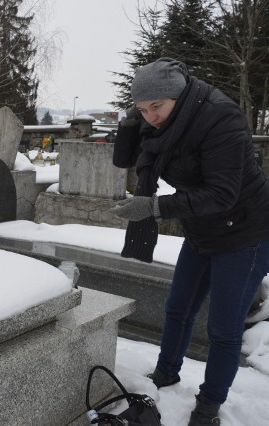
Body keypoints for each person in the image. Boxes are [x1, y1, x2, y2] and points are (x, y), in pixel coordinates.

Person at [109, 57, 269, 425]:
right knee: (178, 308)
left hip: (246, 232)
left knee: (224, 330)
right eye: (142, 109)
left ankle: (209, 406)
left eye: (157, 107)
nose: (151, 116)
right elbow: (124, 159)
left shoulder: (220, 118)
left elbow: (222, 193)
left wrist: (152, 206)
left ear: (178, 97)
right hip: (202, 230)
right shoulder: (160, 125)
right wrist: (131, 123)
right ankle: (166, 373)